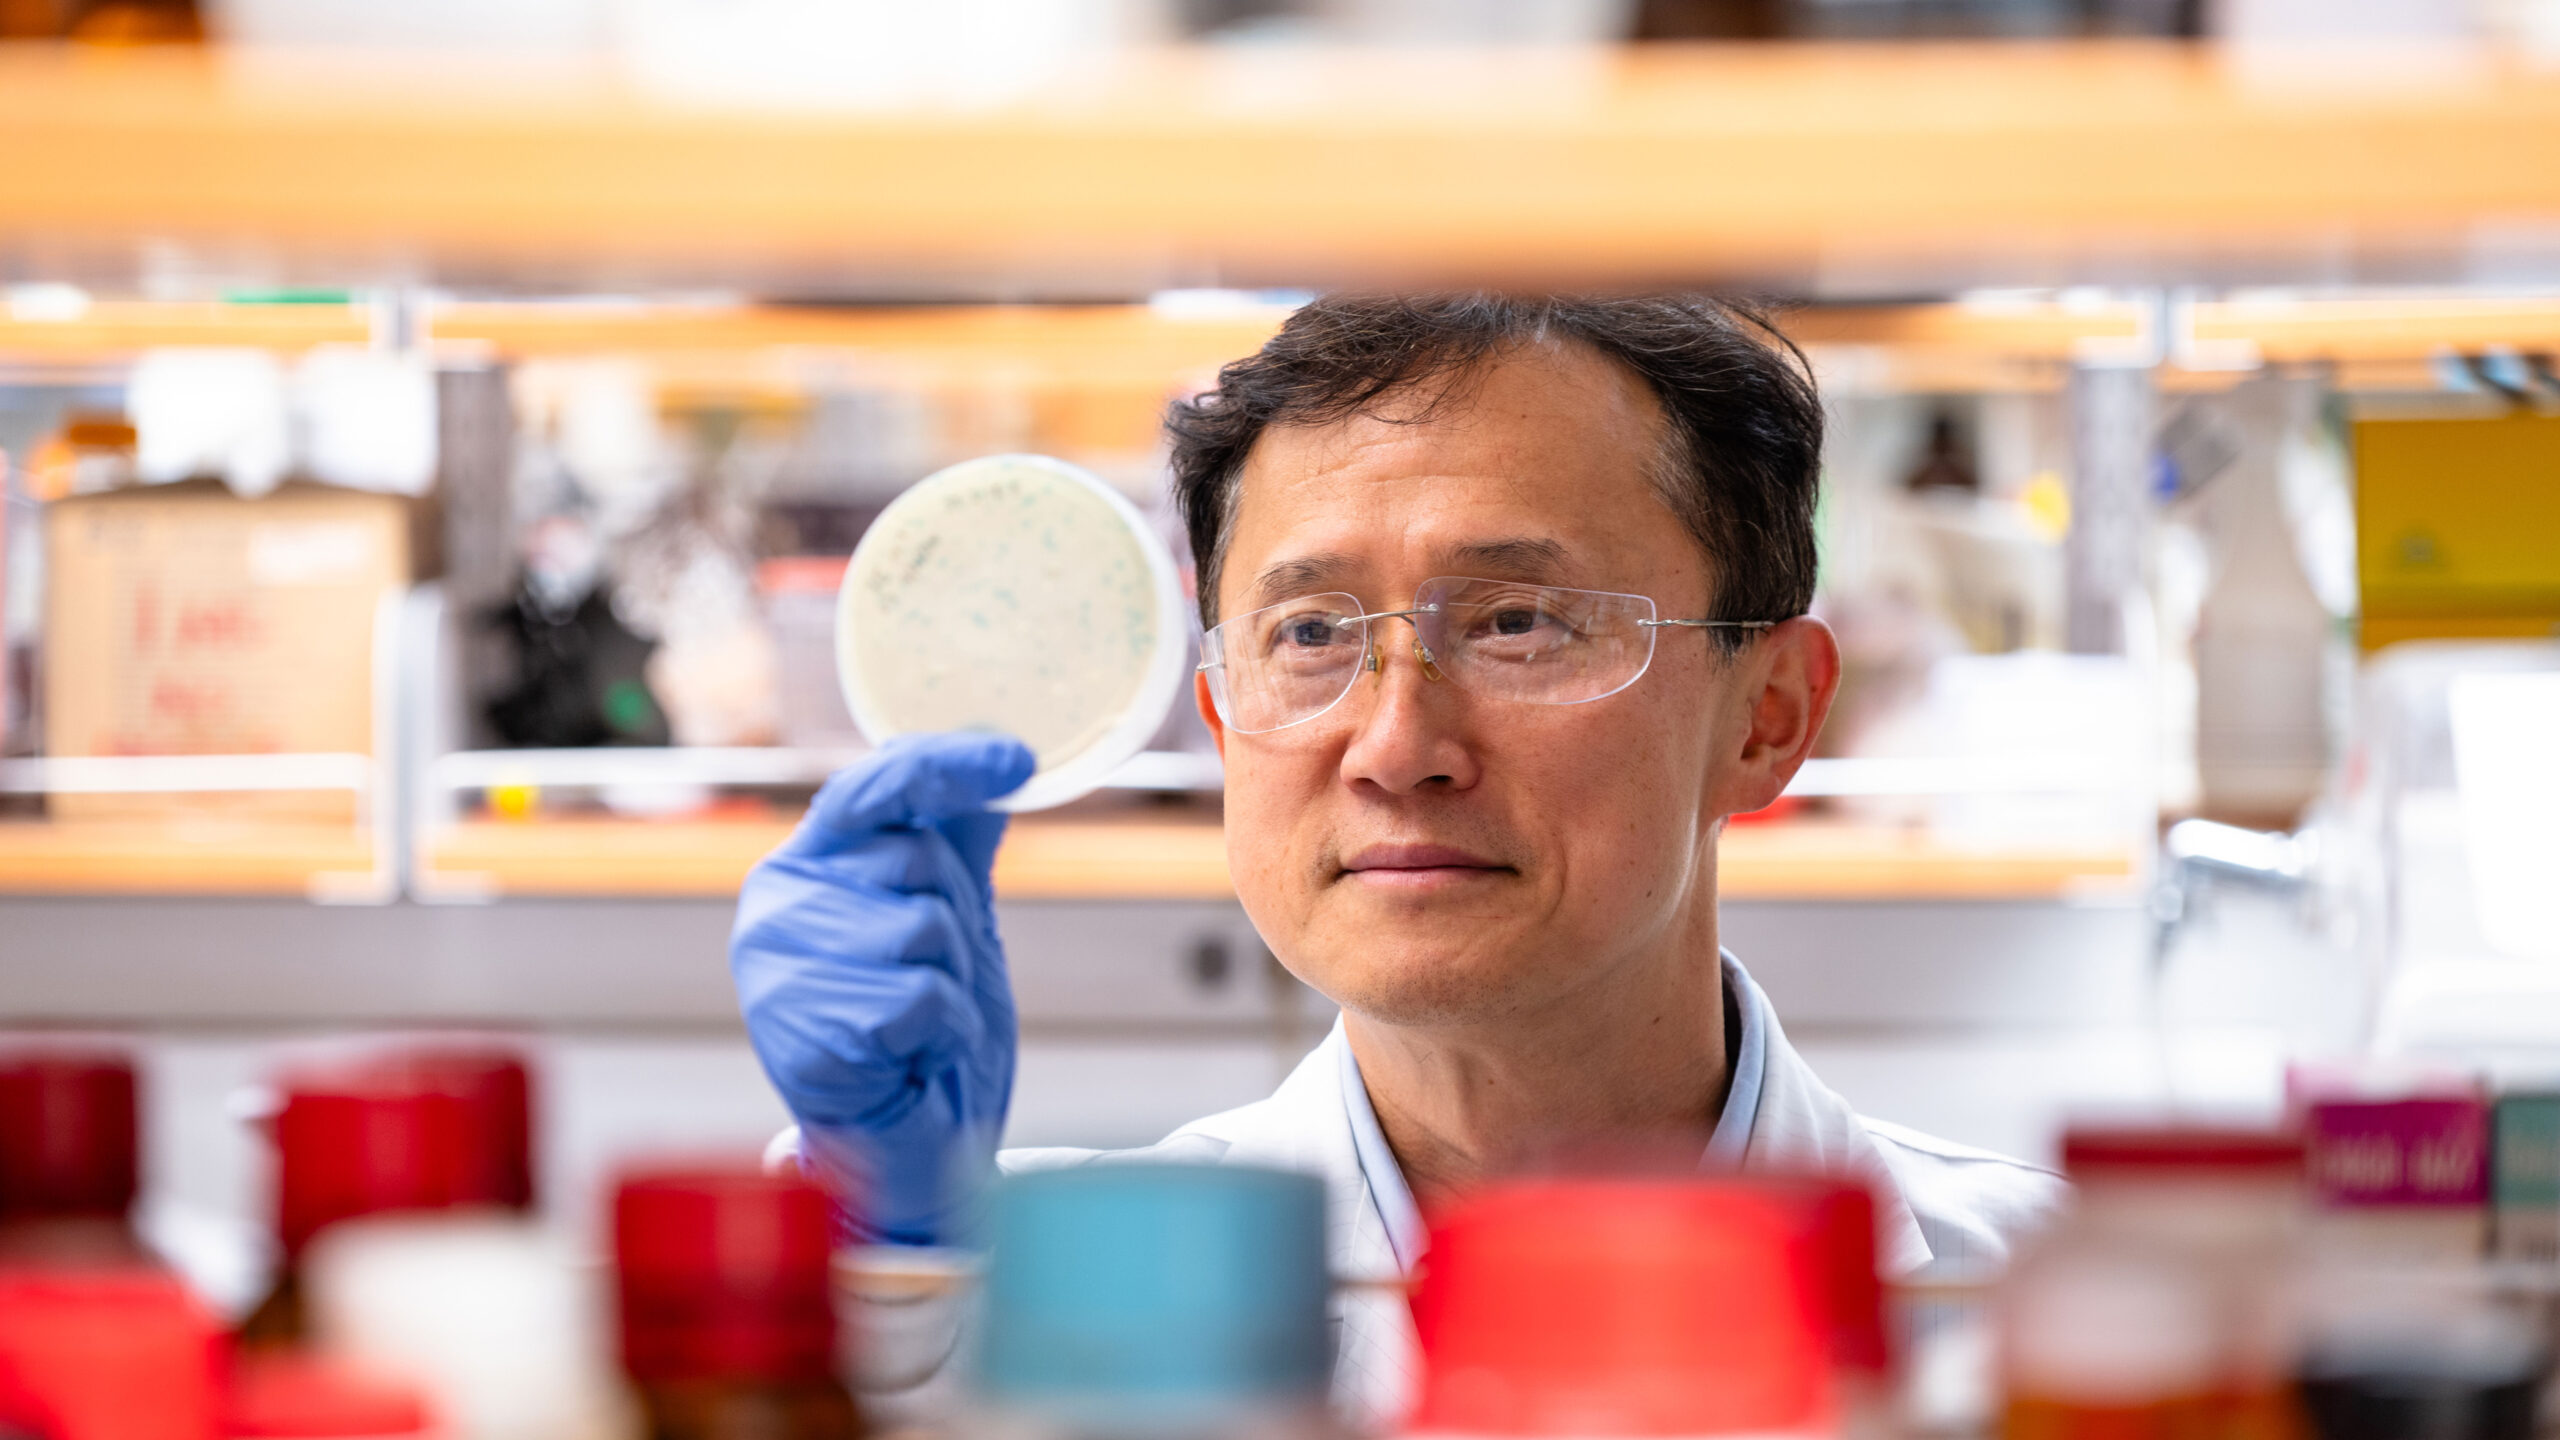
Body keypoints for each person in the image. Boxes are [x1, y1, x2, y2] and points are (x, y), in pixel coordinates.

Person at [730, 294, 2064, 1422]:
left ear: (1766, 716)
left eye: (1520, 621)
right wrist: (894, 1249)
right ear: (1218, 712)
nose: (1396, 744)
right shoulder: (1019, 1315)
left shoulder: (2048, 1315)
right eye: (1308, 634)